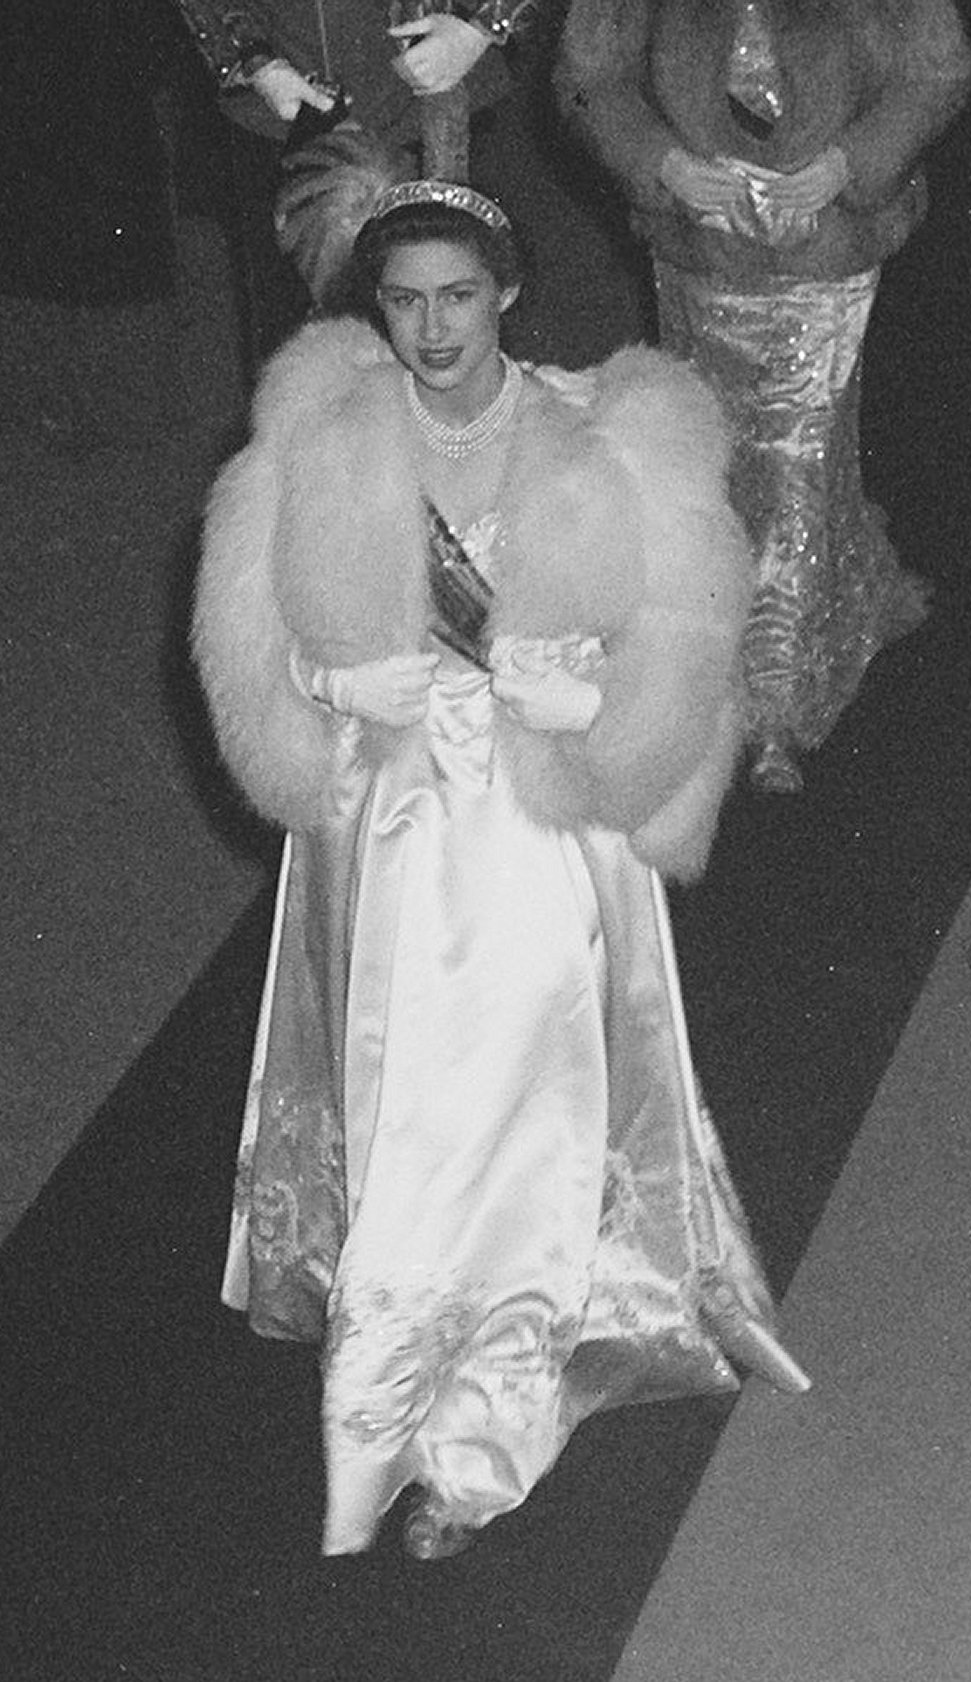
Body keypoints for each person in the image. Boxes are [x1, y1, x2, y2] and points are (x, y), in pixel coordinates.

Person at [193, 176, 809, 1560]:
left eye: (457, 296)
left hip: (543, 828)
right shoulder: (319, 435)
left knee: (520, 1118)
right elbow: (256, 644)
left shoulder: (605, 435)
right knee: (401, 1097)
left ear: (508, 293)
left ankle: (475, 1432)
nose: (430, 327)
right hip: (391, 821)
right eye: (403, 300)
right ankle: (403, 1388)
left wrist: (593, 710)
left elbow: (697, 656)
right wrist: (325, 673)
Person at [555, 0, 971, 790]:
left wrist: (848, 164)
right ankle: (734, 625)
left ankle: (775, 695)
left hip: (827, 250)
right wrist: (663, 165)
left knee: (799, 454)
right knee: (716, 448)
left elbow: (939, 68)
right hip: (700, 251)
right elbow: (588, 76)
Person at [168, 0, 533, 357]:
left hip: (444, 94)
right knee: (303, 354)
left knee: (457, 330)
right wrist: (255, 62)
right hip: (279, 115)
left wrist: (481, 25)